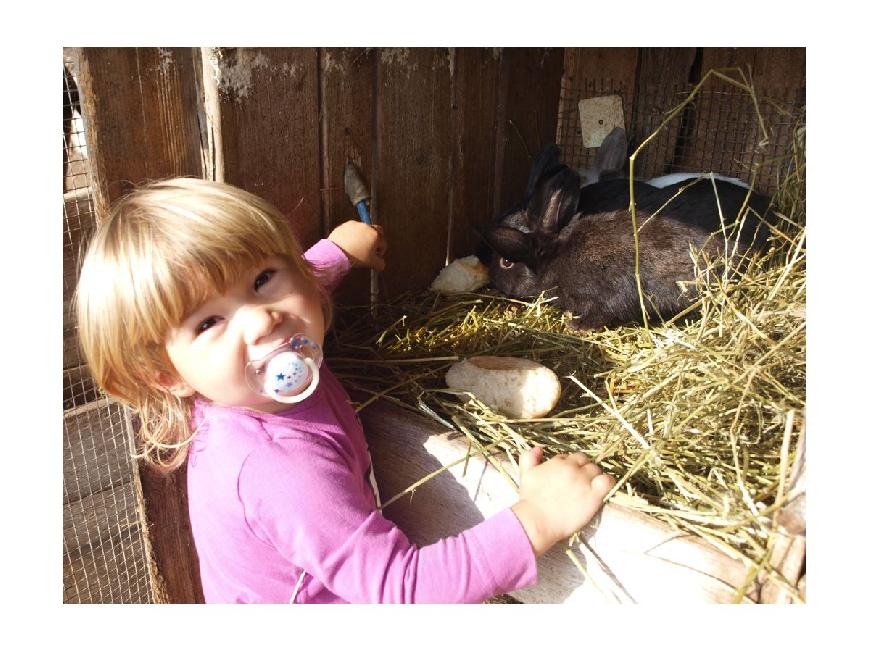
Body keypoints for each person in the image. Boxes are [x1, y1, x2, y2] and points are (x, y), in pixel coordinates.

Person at [76, 177, 616, 603]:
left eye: (262, 278)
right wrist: (539, 517)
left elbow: (298, 282)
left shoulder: (253, 368)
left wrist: (339, 251)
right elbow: (404, 592)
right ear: (164, 374)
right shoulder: (279, 470)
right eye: (207, 323)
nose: (262, 321)